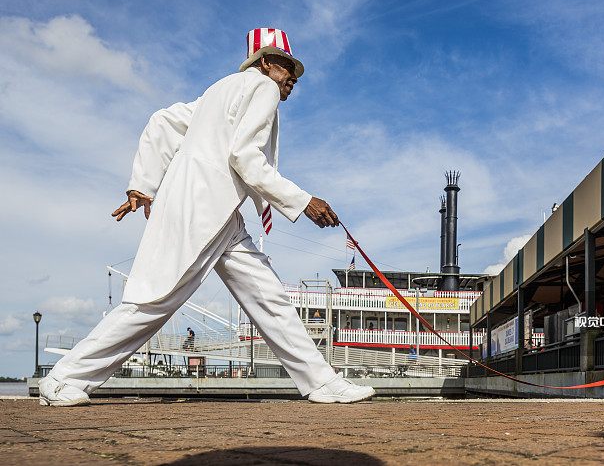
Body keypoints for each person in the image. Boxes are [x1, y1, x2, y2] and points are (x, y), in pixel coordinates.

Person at [38, 27, 375, 406]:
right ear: (265, 63)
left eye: (294, 70)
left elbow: (163, 120)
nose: (293, 76)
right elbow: (244, 157)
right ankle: (63, 378)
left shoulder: (219, 90)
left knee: (268, 297)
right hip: (205, 209)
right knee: (153, 303)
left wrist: (143, 184)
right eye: (285, 66)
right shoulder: (262, 89)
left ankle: (320, 381)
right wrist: (302, 201)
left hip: (215, 212)